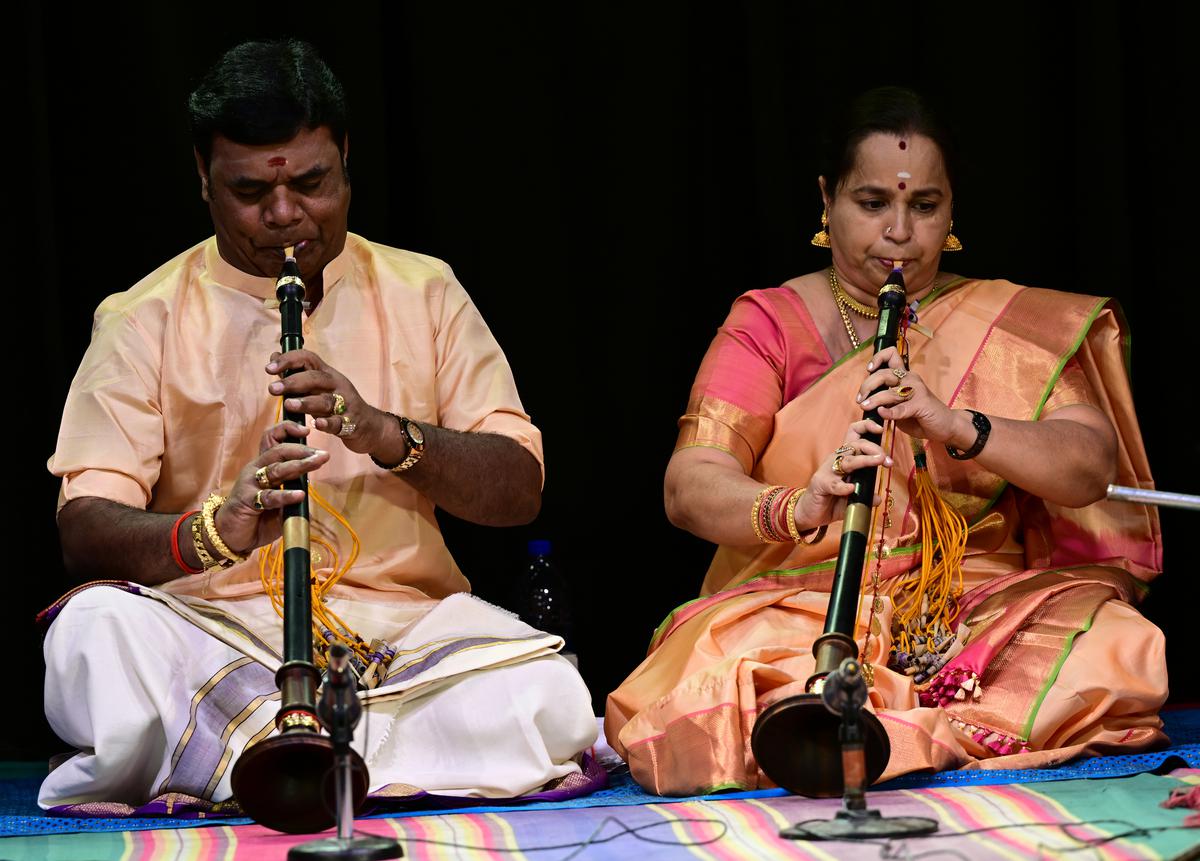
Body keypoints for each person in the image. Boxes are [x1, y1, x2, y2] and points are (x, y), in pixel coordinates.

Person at [41, 39, 598, 814]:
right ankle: (336, 753)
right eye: (249, 192)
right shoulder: (142, 317)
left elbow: (518, 488)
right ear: (203, 178)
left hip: (402, 633)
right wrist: (216, 531)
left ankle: (257, 759)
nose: (284, 215)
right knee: (94, 632)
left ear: (346, 160)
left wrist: (385, 432)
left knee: (549, 695)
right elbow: (83, 529)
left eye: (312, 183)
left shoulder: (425, 289)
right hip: (212, 630)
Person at [605, 86, 1165, 796]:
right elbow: (689, 485)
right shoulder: (769, 323)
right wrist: (796, 507)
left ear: (952, 209)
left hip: (972, 602)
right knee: (726, 681)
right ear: (827, 199)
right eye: (872, 203)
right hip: (797, 599)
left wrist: (958, 424)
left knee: (1119, 649)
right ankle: (896, 726)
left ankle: (880, 730)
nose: (899, 231)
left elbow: (1087, 465)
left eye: (924, 206)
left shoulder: (1015, 325)